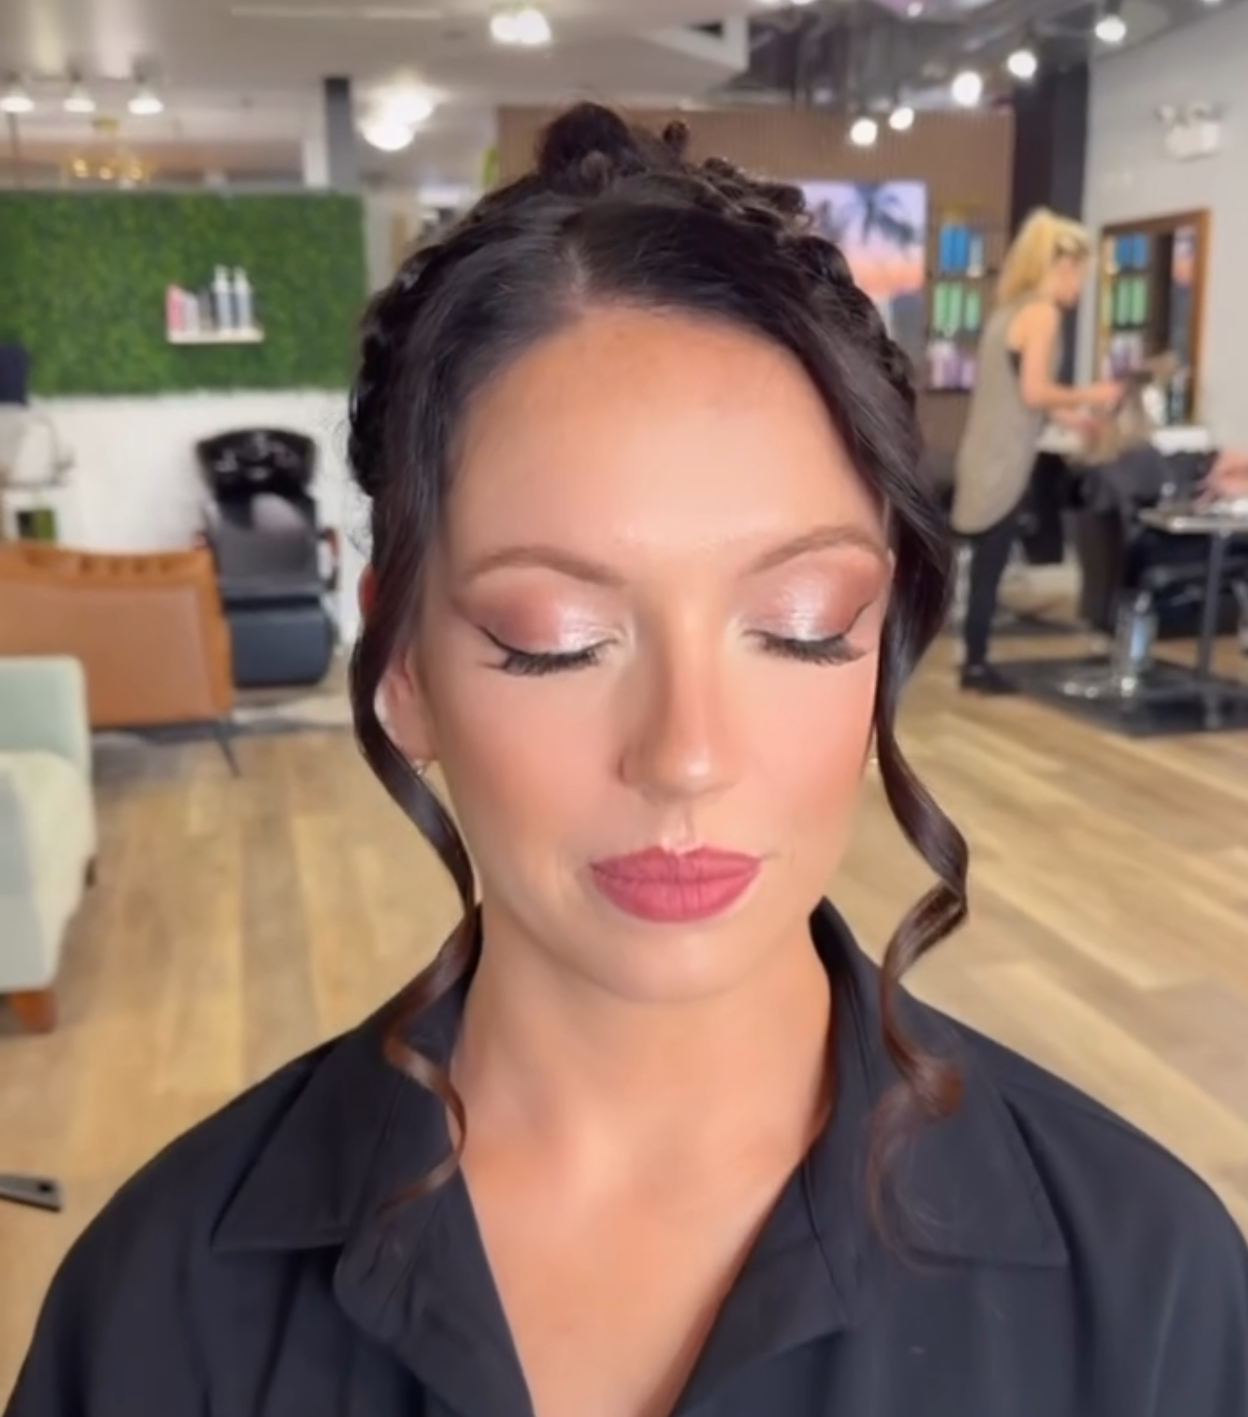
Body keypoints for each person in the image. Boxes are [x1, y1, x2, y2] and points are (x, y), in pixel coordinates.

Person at [8, 105, 1248, 1417]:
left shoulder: (1148, 1286)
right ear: (404, 665)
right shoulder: (162, 1305)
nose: (687, 755)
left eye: (799, 627)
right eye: (557, 640)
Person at [951, 208, 1122, 694]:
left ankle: (974, 655)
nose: (1081, 287)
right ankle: (976, 663)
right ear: (1064, 266)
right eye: (1083, 274)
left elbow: (1023, 394)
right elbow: (1034, 391)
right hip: (1004, 459)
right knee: (991, 561)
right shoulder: (1042, 313)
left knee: (988, 559)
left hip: (985, 450)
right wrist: (1092, 394)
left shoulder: (1008, 311)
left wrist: (1072, 417)